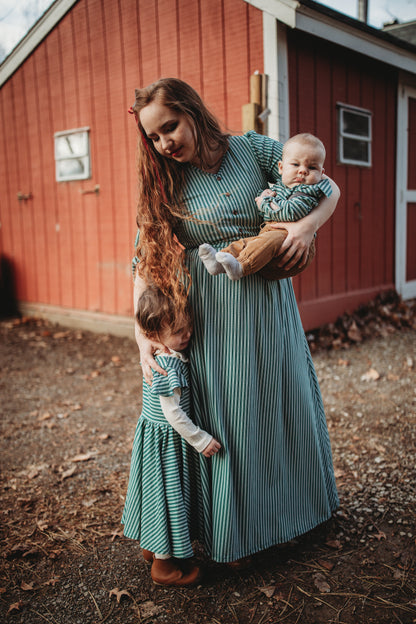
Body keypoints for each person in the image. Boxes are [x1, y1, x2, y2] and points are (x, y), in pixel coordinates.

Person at [129, 77, 340, 567]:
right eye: (154, 137)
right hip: (212, 317)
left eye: (170, 127)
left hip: (268, 304)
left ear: (192, 111)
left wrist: (304, 230)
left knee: (282, 406)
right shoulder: (166, 179)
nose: (164, 143)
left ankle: (291, 516)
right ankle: (238, 534)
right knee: (235, 419)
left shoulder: (253, 151)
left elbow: (325, 186)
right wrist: (141, 336)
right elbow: (142, 257)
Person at [122, 285, 221, 586]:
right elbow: (173, 413)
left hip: (156, 440)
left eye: (188, 327)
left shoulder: (166, 353)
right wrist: (200, 438)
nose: (187, 335)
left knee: (156, 494)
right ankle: (164, 568)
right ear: (154, 334)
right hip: (168, 443)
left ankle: (152, 547)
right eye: (179, 331)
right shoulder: (167, 366)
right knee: (168, 497)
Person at [198, 133, 332, 281]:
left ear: (321, 173)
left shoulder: (309, 192)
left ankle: (241, 266)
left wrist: (264, 201)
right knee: (248, 242)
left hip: (291, 244)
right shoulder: (283, 185)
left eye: (312, 167)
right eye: (295, 165)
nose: (302, 170)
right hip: (271, 235)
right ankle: (220, 261)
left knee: (268, 241)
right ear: (281, 167)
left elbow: (289, 212)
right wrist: (267, 195)